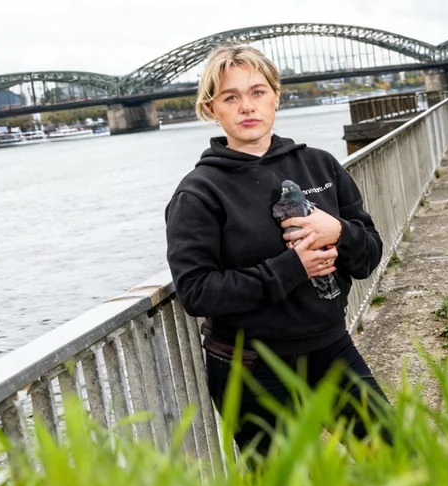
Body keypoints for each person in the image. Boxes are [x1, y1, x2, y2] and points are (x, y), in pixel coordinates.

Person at [165, 45, 391, 461]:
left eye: (257, 92)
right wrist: (292, 268)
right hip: (250, 367)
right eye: (230, 97)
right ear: (211, 108)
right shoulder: (199, 192)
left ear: (276, 96)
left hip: (330, 347)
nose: (246, 106)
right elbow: (197, 291)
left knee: (398, 457)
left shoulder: (320, 167)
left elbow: (369, 255)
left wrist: (338, 231)